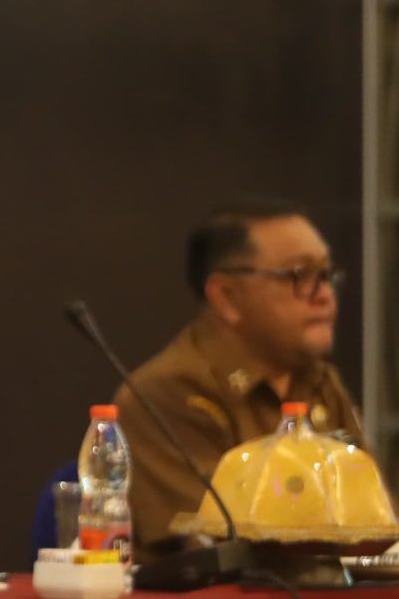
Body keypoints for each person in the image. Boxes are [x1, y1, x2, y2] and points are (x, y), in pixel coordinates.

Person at [118, 199, 363, 552]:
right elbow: (214, 542)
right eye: (298, 275)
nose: (324, 295)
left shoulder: (318, 379)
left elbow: (373, 516)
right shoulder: (166, 393)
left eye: (326, 275)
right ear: (226, 296)